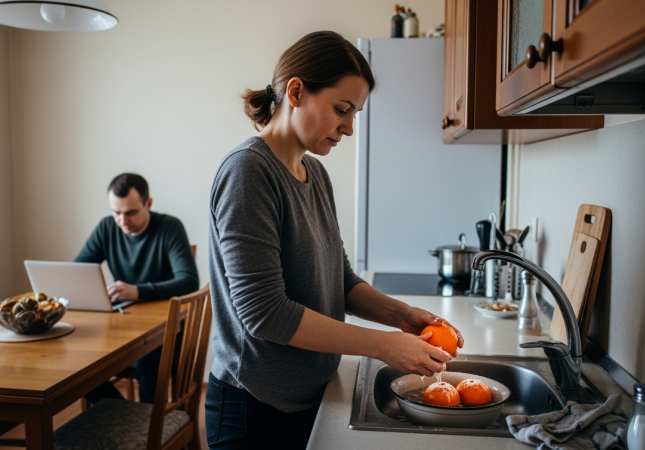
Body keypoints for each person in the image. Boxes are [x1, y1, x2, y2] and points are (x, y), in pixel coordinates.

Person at [206, 31, 464, 449]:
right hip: (255, 408)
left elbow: (339, 280)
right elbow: (264, 313)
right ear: (296, 92)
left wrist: (401, 315)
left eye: (355, 114)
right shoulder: (248, 173)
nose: (349, 128)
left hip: (310, 395)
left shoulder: (315, 175)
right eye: (341, 110)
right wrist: (383, 346)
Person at [76, 173, 198, 404]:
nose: (122, 221)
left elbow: (189, 281)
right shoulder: (107, 227)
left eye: (130, 212)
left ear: (148, 204)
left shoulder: (170, 227)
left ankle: (146, 421)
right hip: (122, 324)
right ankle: (123, 414)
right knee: (78, 363)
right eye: (116, 213)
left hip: (165, 327)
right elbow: (78, 272)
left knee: (148, 363)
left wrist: (138, 291)